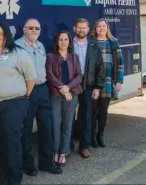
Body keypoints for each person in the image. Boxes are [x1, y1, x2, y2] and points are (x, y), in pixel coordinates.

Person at [0, 21, 37, 185]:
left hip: (14, 105)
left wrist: (24, 97)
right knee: (0, 145)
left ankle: (15, 179)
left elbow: (31, 78)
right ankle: (4, 178)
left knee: (13, 144)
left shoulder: (19, 54)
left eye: (0, 34)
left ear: (7, 35)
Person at [15, 18, 62, 176]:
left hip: (42, 89)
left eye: (37, 28)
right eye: (31, 28)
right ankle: (27, 164)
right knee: (26, 129)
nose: (34, 30)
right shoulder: (17, 47)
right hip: (26, 91)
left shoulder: (41, 46)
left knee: (46, 128)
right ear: (24, 29)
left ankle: (46, 163)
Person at [46, 30, 82, 167]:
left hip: (71, 95)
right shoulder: (51, 57)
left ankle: (64, 152)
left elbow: (79, 76)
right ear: (57, 41)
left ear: (69, 41)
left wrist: (68, 88)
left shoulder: (74, 57)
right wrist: (62, 88)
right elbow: (50, 76)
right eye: (60, 39)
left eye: (66, 39)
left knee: (67, 124)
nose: (63, 42)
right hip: (56, 95)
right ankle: (55, 151)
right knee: (55, 124)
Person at [71, 18, 105, 158]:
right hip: (71, 84)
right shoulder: (68, 44)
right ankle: (68, 145)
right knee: (69, 116)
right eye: (79, 27)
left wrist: (98, 87)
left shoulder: (94, 45)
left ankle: (84, 146)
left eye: (84, 27)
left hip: (88, 84)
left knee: (86, 116)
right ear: (74, 28)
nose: (81, 30)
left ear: (88, 29)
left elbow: (100, 68)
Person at [90, 18, 124, 148]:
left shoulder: (113, 42)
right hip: (93, 83)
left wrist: (119, 81)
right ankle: (92, 136)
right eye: (99, 26)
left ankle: (100, 135)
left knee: (103, 111)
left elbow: (120, 63)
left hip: (109, 81)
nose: (101, 28)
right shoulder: (91, 42)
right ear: (96, 28)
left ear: (107, 28)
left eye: (104, 26)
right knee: (92, 111)